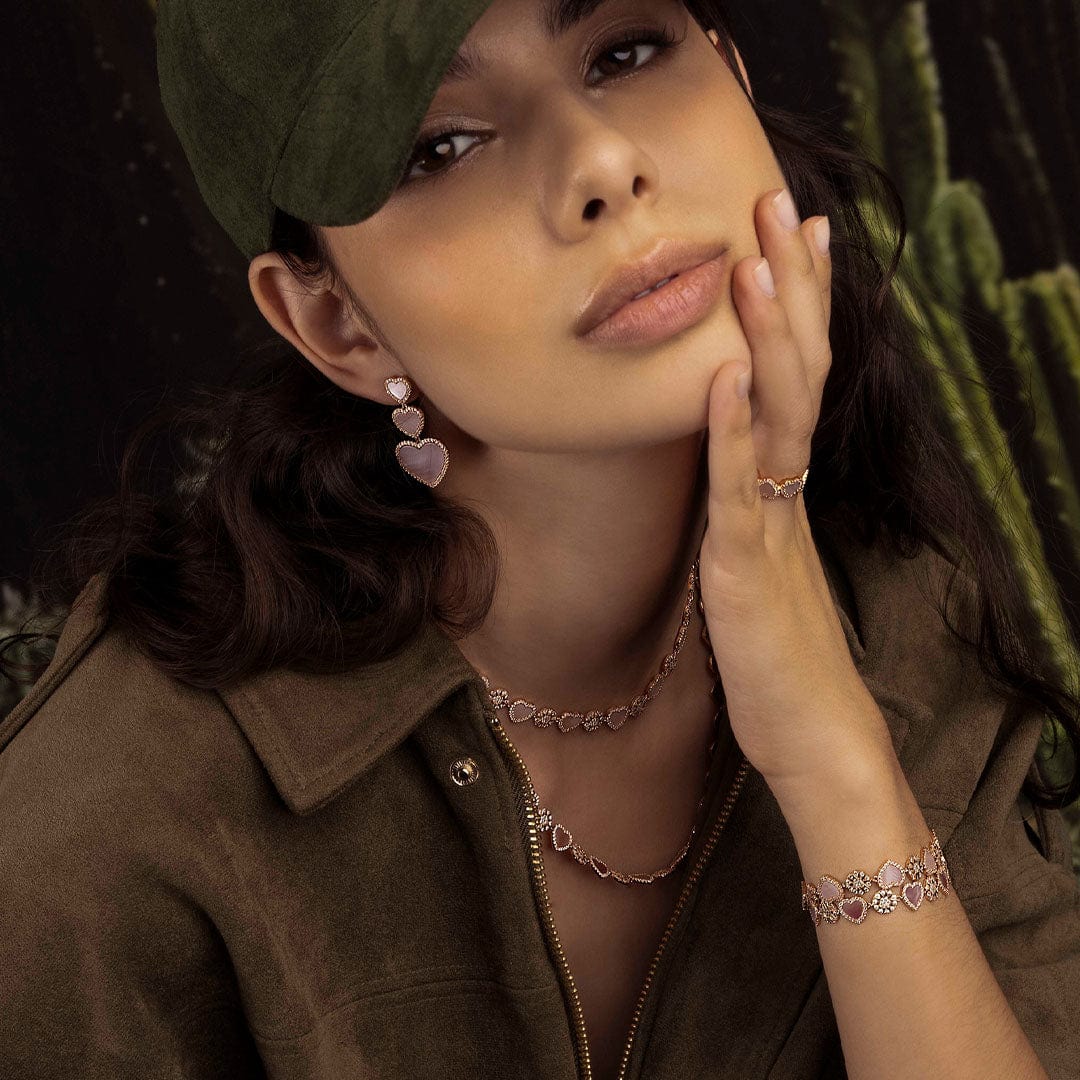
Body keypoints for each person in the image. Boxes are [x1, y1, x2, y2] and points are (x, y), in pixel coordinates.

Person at [1, 0, 1078, 1077]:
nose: (603, 161)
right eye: (443, 147)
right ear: (336, 323)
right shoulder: (114, 828)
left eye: (625, 51)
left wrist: (835, 760)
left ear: (737, 80)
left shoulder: (900, 612)